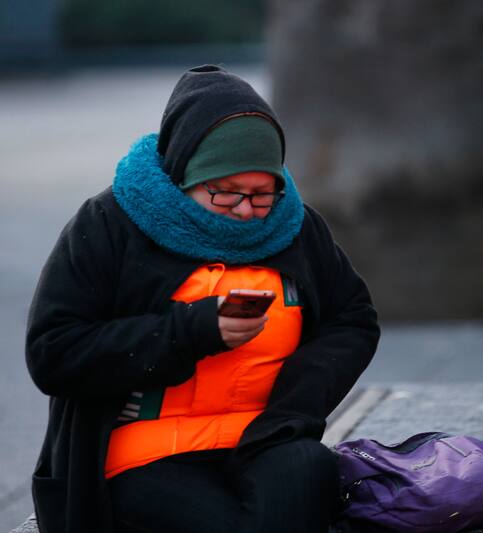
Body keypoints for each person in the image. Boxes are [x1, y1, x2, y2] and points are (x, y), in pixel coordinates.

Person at [25, 65, 380, 533]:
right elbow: (53, 351)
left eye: (262, 194)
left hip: (264, 438)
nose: (247, 211)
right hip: (143, 451)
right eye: (226, 193)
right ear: (184, 175)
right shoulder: (109, 224)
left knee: (308, 475)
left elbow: (352, 319)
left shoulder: (296, 226)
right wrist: (188, 331)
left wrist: (294, 406)